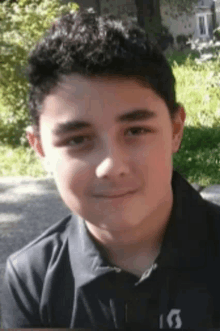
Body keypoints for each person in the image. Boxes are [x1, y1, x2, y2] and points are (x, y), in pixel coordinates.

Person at [2, 7, 220, 330]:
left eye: (135, 131)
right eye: (78, 140)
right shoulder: (32, 283)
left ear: (175, 130)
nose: (112, 166)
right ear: (41, 148)